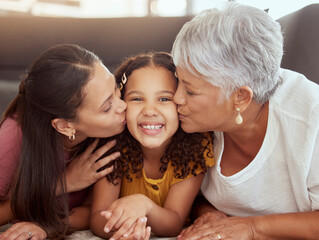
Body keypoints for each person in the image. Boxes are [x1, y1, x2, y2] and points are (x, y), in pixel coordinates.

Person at [170, 2, 319, 240]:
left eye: (190, 92)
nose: (176, 98)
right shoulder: (190, 121)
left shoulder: (311, 119)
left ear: (240, 97)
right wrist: (210, 214)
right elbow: (189, 193)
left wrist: (251, 227)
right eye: (178, 80)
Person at [0, 44, 127, 240]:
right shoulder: (12, 138)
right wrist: (63, 183)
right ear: (65, 126)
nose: (123, 105)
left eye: (117, 88)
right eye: (107, 106)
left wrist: (45, 226)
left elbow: (94, 212)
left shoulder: (113, 130)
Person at [89, 52, 215, 239]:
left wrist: (144, 205)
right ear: (122, 104)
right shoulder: (113, 147)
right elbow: (98, 216)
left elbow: (174, 222)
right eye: (137, 99)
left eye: (164, 99)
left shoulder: (196, 146)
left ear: (180, 103)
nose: (149, 111)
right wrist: (122, 231)